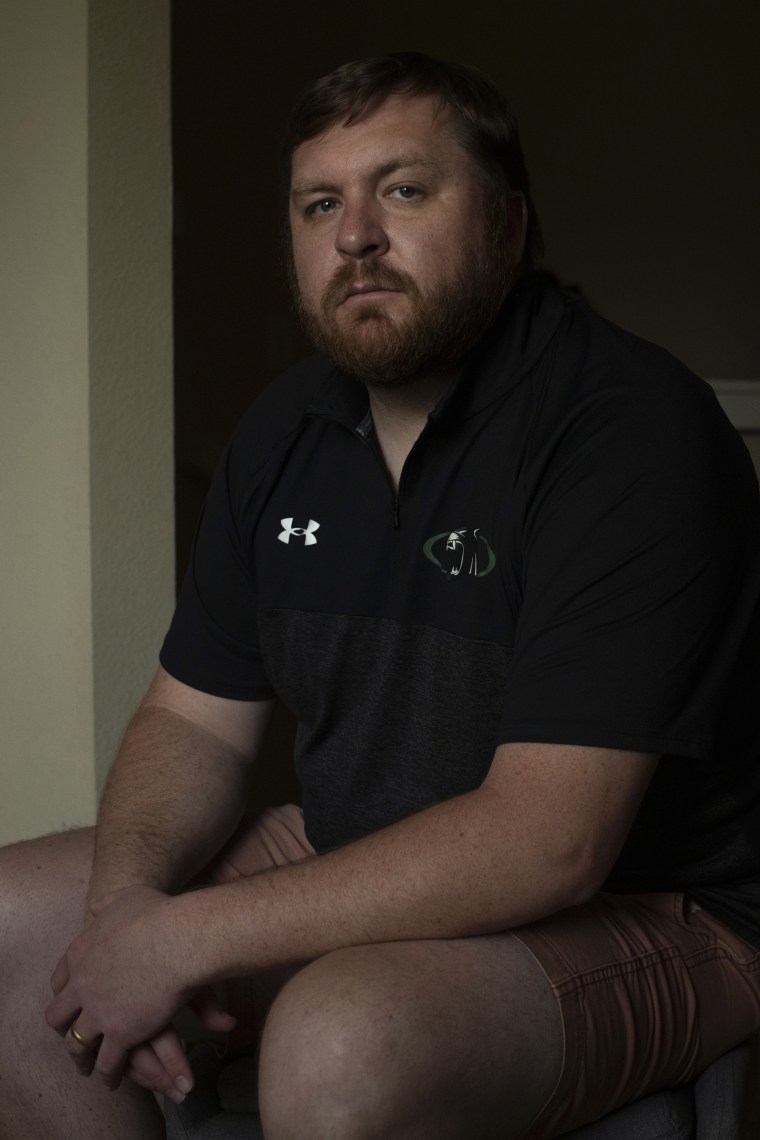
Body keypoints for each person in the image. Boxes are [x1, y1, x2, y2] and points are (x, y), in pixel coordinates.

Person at [2, 51, 759, 1140]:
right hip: (355, 844)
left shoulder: (627, 429)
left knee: (343, 1043)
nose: (355, 234)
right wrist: (126, 916)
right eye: (320, 204)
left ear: (508, 221)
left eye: (402, 190)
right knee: (13, 932)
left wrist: (185, 938)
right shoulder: (283, 431)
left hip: (654, 905)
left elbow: (551, 839)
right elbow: (191, 724)